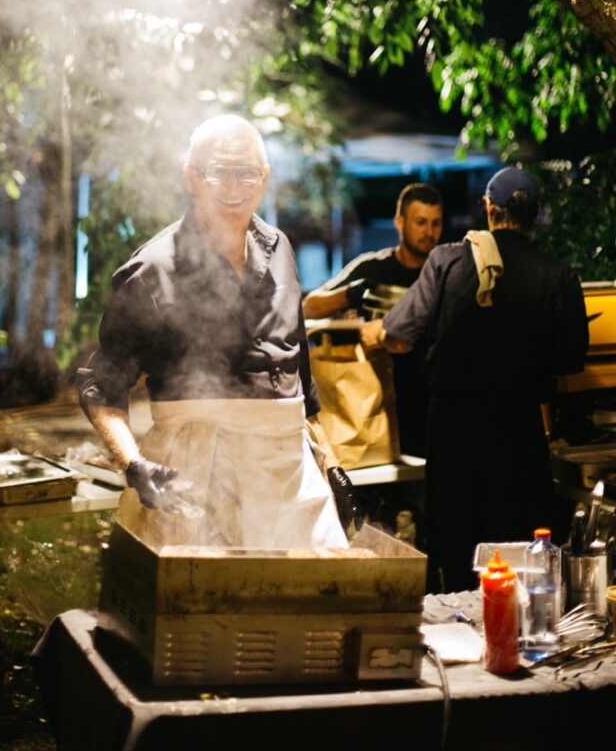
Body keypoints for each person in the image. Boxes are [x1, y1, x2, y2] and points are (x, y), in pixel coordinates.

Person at [77, 113, 352, 551]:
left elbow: (299, 369)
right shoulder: (151, 270)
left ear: (264, 178)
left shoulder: (279, 248)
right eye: (219, 171)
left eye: (247, 172)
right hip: (195, 471)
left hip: (290, 470)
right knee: (208, 605)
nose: (234, 186)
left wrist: (330, 461)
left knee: (306, 603)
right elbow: (102, 386)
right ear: (191, 177)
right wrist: (133, 464)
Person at [361, 166, 589, 592]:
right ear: (536, 213)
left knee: (458, 550)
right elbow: (570, 361)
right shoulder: (558, 276)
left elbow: (397, 336)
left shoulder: (447, 260)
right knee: (518, 556)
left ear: (487, 208)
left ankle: (460, 643)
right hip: (520, 434)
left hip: (453, 433)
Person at [303, 183, 444, 458]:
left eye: (436, 223)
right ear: (399, 222)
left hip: (431, 403)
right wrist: (352, 294)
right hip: (373, 402)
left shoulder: (444, 274)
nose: (429, 232)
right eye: (421, 222)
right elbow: (310, 307)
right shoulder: (373, 267)